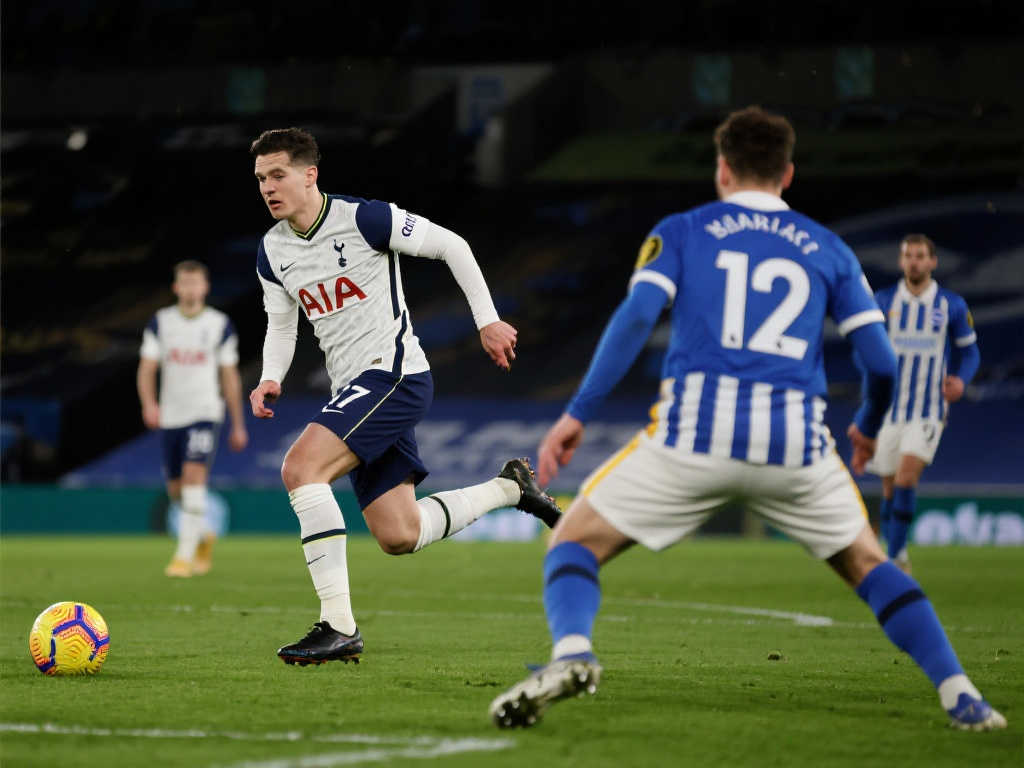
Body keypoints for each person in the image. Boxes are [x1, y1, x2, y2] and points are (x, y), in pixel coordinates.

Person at [488, 107, 1005, 731]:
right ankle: (961, 695)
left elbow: (636, 318)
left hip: (694, 438)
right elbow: (881, 363)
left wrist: (578, 414)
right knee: (872, 568)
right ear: (787, 174)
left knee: (572, 541)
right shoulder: (829, 248)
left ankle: (573, 653)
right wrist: (868, 427)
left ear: (722, 169)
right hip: (796, 445)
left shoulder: (683, 230)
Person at [247, 127, 561, 666]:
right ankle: (511, 488)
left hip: (393, 375)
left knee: (301, 469)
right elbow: (281, 324)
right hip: (355, 389)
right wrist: (270, 375)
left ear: (309, 175)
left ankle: (338, 626)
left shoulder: (365, 219)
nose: (268, 188)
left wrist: (487, 321)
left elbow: (452, 245)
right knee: (399, 533)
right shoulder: (272, 251)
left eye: (278, 175)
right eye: (260, 179)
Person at [866, 234, 980, 572]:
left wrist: (961, 380)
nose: (914, 262)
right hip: (889, 410)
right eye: (908, 256)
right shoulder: (883, 300)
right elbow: (868, 346)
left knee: (905, 478)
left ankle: (895, 557)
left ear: (933, 262)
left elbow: (970, 352)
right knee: (889, 488)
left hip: (928, 410)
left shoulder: (951, 305)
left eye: (920, 256)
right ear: (901, 261)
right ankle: (894, 550)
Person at [138, 260, 249, 577]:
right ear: (176, 287)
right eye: (185, 283)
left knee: (193, 477)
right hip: (171, 415)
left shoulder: (219, 324)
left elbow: (229, 375)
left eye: (195, 283)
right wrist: (149, 404)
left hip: (205, 412)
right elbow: (147, 368)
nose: (190, 289)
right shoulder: (161, 322)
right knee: (176, 491)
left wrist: (238, 424)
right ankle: (202, 536)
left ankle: (183, 557)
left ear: (205, 287)